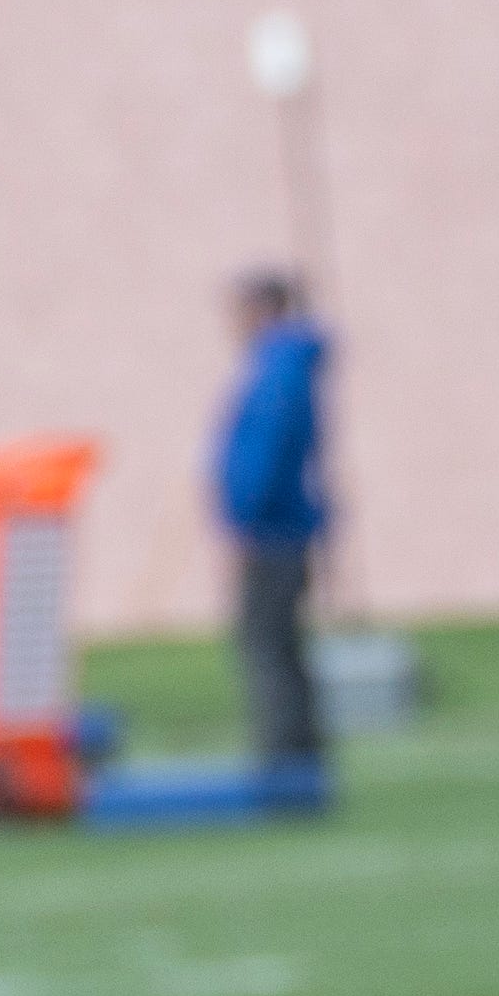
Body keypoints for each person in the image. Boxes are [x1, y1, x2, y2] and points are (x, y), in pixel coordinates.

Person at [214, 270, 328, 771]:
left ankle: (285, 760)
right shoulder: (281, 366)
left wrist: (245, 517)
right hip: (281, 526)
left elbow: (265, 452)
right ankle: (296, 756)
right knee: (279, 643)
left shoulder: (277, 370)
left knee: (266, 644)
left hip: (272, 530)